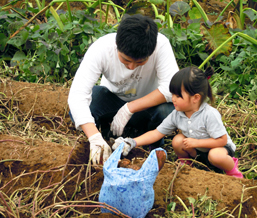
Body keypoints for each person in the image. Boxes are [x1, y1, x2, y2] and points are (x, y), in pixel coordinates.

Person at [68, 14, 179, 165]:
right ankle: (106, 131)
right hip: (113, 104)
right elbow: (78, 94)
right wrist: (94, 136)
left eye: (140, 62)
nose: (132, 67)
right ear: (116, 45)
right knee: (90, 101)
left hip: (147, 109)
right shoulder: (102, 48)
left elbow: (171, 88)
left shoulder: (161, 45)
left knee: (168, 111)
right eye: (125, 60)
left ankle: (149, 141)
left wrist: (130, 108)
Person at [112, 66, 243, 178]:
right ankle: (186, 166)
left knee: (215, 156)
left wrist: (196, 142)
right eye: (173, 94)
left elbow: (222, 140)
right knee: (177, 140)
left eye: (178, 96)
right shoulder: (177, 114)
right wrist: (132, 142)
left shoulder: (209, 114)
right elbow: (156, 133)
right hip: (197, 151)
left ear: (196, 98)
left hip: (218, 149)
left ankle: (233, 172)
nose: (173, 99)